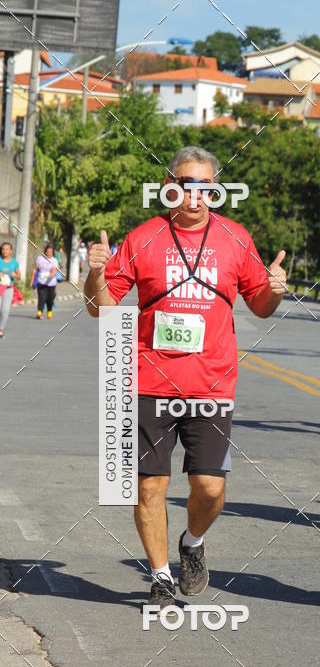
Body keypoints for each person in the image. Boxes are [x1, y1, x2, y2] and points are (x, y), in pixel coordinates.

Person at [84, 146, 287, 608]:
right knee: (150, 485)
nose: (195, 195)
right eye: (186, 184)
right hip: (148, 381)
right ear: (171, 186)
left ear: (215, 191)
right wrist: (96, 274)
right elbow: (102, 309)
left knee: (210, 487)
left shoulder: (235, 239)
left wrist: (273, 290)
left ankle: (192, 544)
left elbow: (259, 304)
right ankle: (159, 577)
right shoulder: (144, 238)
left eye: (204, 186)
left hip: (211, 383)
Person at [32, 244, 59, 320]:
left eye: (51, 252)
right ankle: (39, 312)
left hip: (51, 283)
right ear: (45, 251)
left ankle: (49, 311)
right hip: (41, 282)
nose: (49, 253)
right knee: (41, 298)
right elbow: (35, 269)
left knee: (50, 298)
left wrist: (50, 276)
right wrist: (32, 280)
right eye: (48, 251)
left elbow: (54, 270)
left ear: (53, 252)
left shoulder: (54, 260)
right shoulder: (40, 258)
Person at [0, 241, 20, 338]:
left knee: (5, 310)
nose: (4, 251)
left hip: (8, 289)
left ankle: (1, 329)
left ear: (11, 251)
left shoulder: (14, 263)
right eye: (3, 249)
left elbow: (19, 276)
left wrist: (14, 275)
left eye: (7, 249)